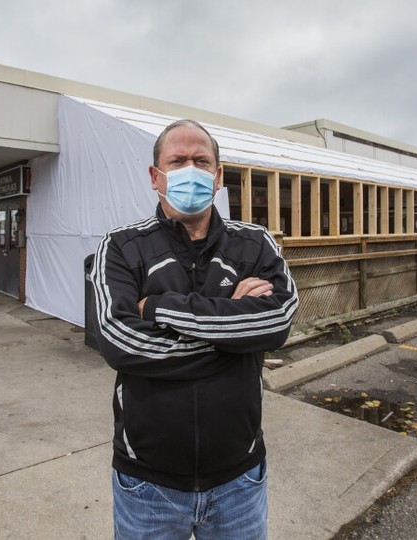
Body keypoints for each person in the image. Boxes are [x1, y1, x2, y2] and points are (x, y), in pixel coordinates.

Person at [90, 119, 298, 539]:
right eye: (178, 160)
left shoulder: (255, 244)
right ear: (156, 176)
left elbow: (277, 320)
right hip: (148, 482)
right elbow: (119, 340)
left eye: (201, 161)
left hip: (240, 479)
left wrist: (160, 307)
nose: (191, 168)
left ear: (218, 176)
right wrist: (233, 336)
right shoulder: (121, 247)